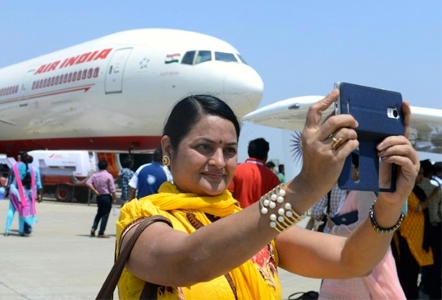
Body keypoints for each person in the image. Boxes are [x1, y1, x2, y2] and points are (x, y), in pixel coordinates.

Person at [114, 91, 418, 299]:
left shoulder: (253, 228)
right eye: (204, 147)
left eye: (230, 150)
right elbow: (189, 262)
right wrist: (306, 185)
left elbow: (351, 260)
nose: (219, 162)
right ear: (168, 149)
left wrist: (390, 202)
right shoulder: (142, 221)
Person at [319, 152, 406, 299]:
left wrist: (336, 228)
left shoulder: (362, 192)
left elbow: (367, 226)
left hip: (362, 259)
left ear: (358, 169)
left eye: (347, 166)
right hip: (349, 258)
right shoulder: (348, 191)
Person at [391, 165, 435, 299]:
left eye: (422, 173)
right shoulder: (406, 190)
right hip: (407, 238)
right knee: (407, 275)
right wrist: (434, 195)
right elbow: (417, 207)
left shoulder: (417, 189)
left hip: (416, 238)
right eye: (419, 174)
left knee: (412, 274)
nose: (421, 176)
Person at [228, 138, 280, 208]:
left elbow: (228, 197)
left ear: (248, 152)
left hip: (237, 216)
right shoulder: (273, 178)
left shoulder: (235, 171)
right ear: (266, 154)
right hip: (262, 218)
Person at [417, 160, 441, 299]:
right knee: (435, 261)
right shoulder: (436, 188)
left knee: (422, 258)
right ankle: (434, 290)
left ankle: (424, 286)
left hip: (420, 229)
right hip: (435, 229)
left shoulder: (412, 188)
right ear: (431, 172)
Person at [4, 152, 41, 236]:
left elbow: (9, 180)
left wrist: (7, 191)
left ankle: (7, 230)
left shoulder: (14, 166)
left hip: (13, 190)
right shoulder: (30, 168)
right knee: (22, 211)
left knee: (11, 210)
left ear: (19, 158)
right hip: (23, 193)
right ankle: (21, 231)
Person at [86, 159, 117, 238]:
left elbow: (88, 183)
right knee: (105, 215)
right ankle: (101, 232)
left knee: (99, 213)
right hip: (106, 196)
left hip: (99, 196)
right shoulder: (108, 176)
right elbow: (113, 189)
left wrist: (95, 191)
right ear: (106, 167)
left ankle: (93, 228)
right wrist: (114, 198)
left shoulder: (95, 175)